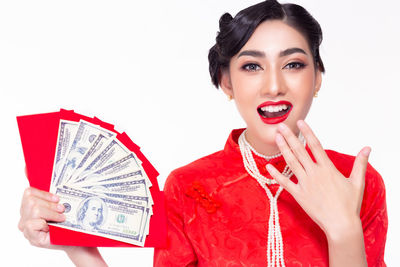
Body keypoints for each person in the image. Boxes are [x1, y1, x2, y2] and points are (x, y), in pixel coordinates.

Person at [18, 0, 388, 266]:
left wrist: (343, 232)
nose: (274, 85)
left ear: (318, 77)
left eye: (293, 64)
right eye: (251, 67)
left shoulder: (358, 181)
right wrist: (80, 250)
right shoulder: (188, 189)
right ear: (226, 82)